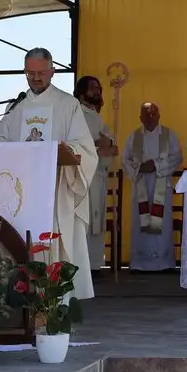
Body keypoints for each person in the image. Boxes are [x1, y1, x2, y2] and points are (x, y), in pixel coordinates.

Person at [0, 49, 99, 299]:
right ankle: (23, 302)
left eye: (41, 72)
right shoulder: (17, 106)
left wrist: (65, 148)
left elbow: (83, 146)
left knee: (52, 244)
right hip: (23, 191)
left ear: (52, 71)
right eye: (30, 73)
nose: (36, 78)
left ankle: (54, 304)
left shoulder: (67, 104)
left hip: (55, 187)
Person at [120, 103, 183, 272]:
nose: (150, 116)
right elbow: (125, 159)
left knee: (161, 222)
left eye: (153, 113)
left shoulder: (169, 135)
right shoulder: (133, 137)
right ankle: (140, 263)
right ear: (140, 117)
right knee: (142, 221)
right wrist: (140, 167)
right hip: (141, 184)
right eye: (146, 114)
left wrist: (156, 165)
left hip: (161, 183)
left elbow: (177, 157)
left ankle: (164, 262)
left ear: (159, 115)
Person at [74, 75, 117, 272]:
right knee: (85, 220)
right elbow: (77, 147)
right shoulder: (77, 115)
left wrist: (108, 145)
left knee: (96, 220)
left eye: (99, 88)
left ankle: (94, 263)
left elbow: (108, 142)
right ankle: (82, 266)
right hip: (82, 177)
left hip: (98, 176)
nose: (97, 91)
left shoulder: (95, 116)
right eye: (92, 88)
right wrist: (101, 150)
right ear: (82, 92)